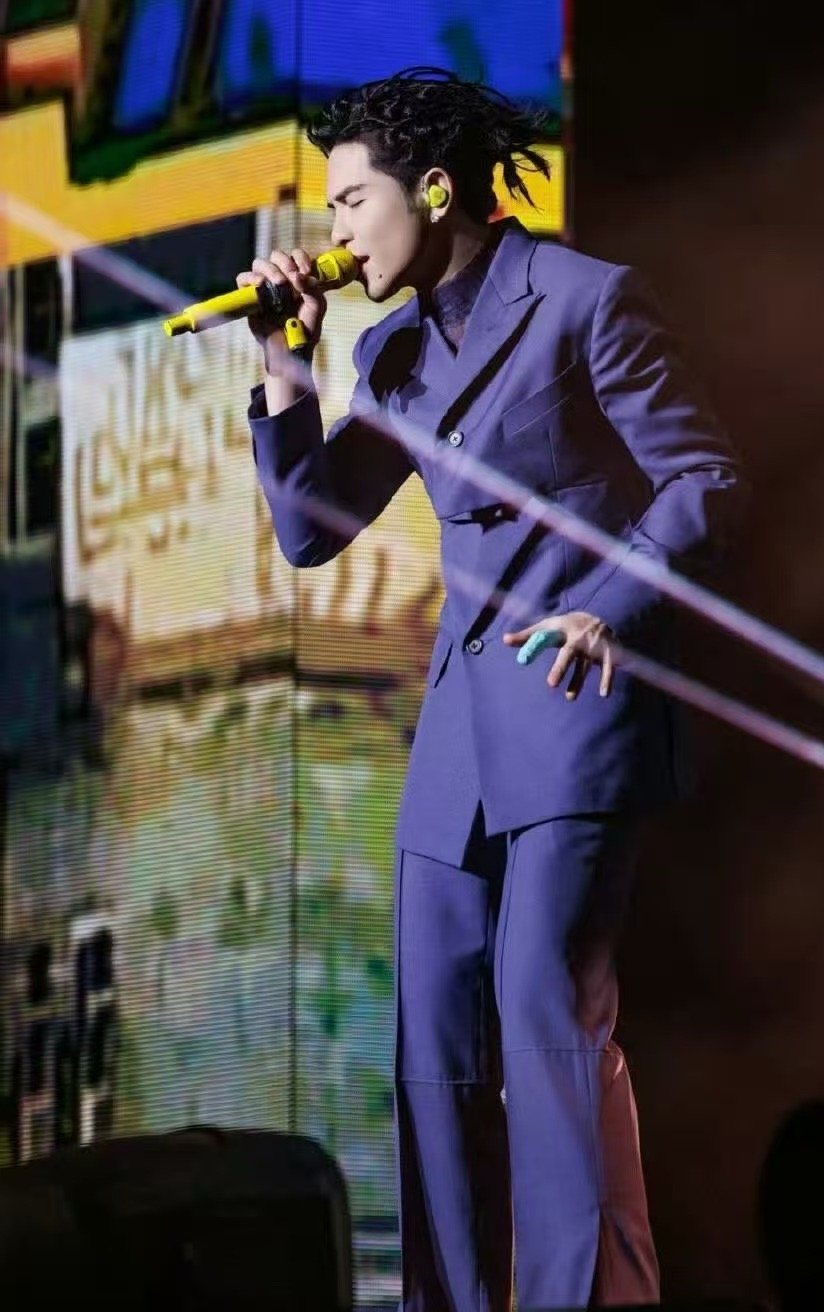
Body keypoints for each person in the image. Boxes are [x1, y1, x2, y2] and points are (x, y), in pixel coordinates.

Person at [243, 69, 745, 1311]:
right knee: (433, 1035)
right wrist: (284, 363)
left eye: (351, 201)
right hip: (462, 736)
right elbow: (311, 530)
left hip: (576, 703)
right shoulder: (395, 350)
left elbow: (704, 480)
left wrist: (610, 602)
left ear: (432, 190)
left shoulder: (584, 300)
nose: (336, 230)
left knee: (544, 1009)